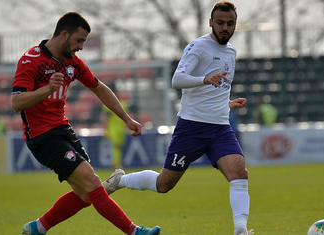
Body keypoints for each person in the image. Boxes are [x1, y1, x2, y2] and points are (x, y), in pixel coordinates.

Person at [103, 2, 252, 235]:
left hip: (220, 128)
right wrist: (203, 78)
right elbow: (177, 79)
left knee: (239, 173)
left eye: (230, 23)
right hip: (191, 128)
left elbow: (217, 89)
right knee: (164, 185)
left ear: (235, 25)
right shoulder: (198, 47)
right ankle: (120, 180)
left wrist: (228, 103)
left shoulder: (231, 52)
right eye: (220, 23)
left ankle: (241, 230)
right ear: (211, 23)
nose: (225, 27)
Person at [11, 12, 160, 235]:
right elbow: (16, 102)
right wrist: (47, 89)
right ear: (64, 34)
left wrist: (126, 118)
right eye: (79, 40)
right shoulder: (31, 60)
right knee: (92, 184)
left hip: (63, 130)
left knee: (85, 194)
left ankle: (37, 228)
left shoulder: (73, 63)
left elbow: (99, 88)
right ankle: (135, 232)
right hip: (42, 136)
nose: (81, 47)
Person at [102, 91, 129, 168]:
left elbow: (127, 116)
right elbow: (106, 118)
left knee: (119, 146)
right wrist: (106, 129)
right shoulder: (108, 104)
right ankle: (116, 163)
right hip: (113, 128)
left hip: (121, 128)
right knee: (116, 146)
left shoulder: (123, 104)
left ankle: (118, 162)